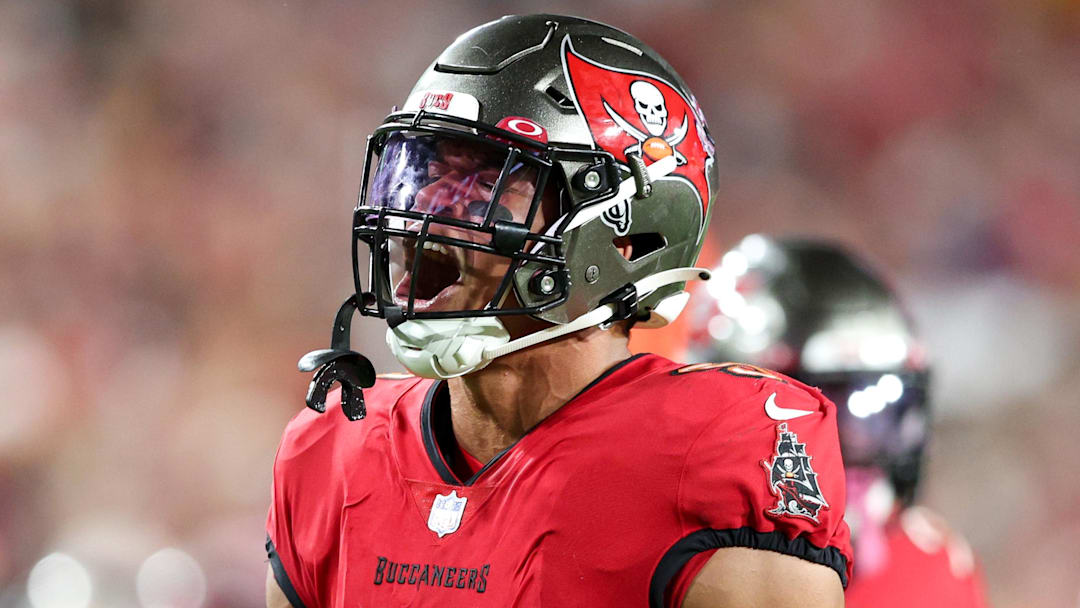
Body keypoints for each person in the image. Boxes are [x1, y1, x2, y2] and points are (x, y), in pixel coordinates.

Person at [266, 16, 851, 608]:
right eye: (424, 171)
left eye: (485, 179)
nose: (424, 210)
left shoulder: (712, 453)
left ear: (624, 237)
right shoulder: (332, 451)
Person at [684, 234, 988, 607]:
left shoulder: (929, 568)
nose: (857, 458)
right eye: (819, 412)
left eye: (883, 413)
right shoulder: (655, 547)